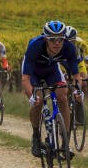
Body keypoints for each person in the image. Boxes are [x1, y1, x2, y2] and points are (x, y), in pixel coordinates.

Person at [21, 20, 81, 158]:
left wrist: (78, 90)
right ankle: (36, 136)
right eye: (53, 39)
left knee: (63, 96)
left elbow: (76, 76)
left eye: (60, 39)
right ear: (46, 39)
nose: (57, 43)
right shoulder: (35, 45)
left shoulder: (69, 48)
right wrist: (32, 96)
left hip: (52, 70)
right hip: (33, 73)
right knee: (38, 101)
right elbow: (25, 79)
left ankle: (65, 141)